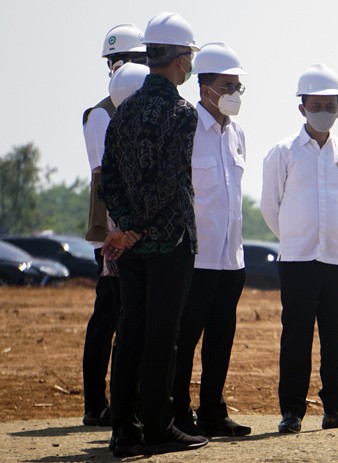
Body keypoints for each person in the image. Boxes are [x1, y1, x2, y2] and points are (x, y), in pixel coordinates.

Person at [100, 11, 208, 457]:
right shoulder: (182, 112)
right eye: (189, 59)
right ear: (180, 60)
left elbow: (109, 179)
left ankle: (125, 430)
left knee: (130, 334)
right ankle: (159, 427)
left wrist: (125, 229)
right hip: (168, 242)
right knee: (164, 336)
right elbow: (169, 182)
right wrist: (140, 228)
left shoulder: (122, 112)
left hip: (133, 247)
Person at [260, 63, 338, 434]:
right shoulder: (283, 151)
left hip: (337, 258)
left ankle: (334, 408)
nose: (323, 111)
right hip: (298, 259)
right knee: (296, 336)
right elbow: (270, 206)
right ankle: (291, 412)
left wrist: (329, 233)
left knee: (335, 335)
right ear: (301, 107)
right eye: (315, 105)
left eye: (330, 105)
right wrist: (294, 236)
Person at [171, 41, 251, 438]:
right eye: (228, 86)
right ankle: (178, 413)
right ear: (205, 88)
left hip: (230, 258)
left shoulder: (237, 133)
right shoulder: (186, 127)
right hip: (195, 258)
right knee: (184, 340)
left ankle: (212, 412)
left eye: (239, 86)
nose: (235, 94)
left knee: (221, 338)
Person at [81, 23, 146, 428]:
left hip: (131, 230)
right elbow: (105, 178)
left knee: (123, 315)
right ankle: (96, 403)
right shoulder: (101, 114)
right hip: (113, 231)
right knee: (110, 316)